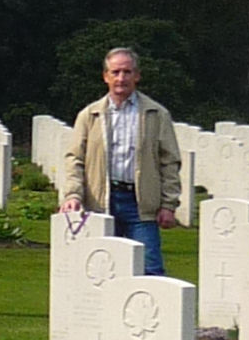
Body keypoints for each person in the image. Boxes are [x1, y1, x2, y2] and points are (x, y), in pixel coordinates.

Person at [60, 43, 182, 274]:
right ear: (105, 76)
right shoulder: (89, 116)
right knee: (103, 271)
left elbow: (169, 162)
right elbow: (75, 159)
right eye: (115, 72)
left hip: (141, 205)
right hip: (101, 203)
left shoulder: (156, 114)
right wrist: (73, 195)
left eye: (127, 72)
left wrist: (169, 204)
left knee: (150, 269)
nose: (121, 78)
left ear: (137, 76)